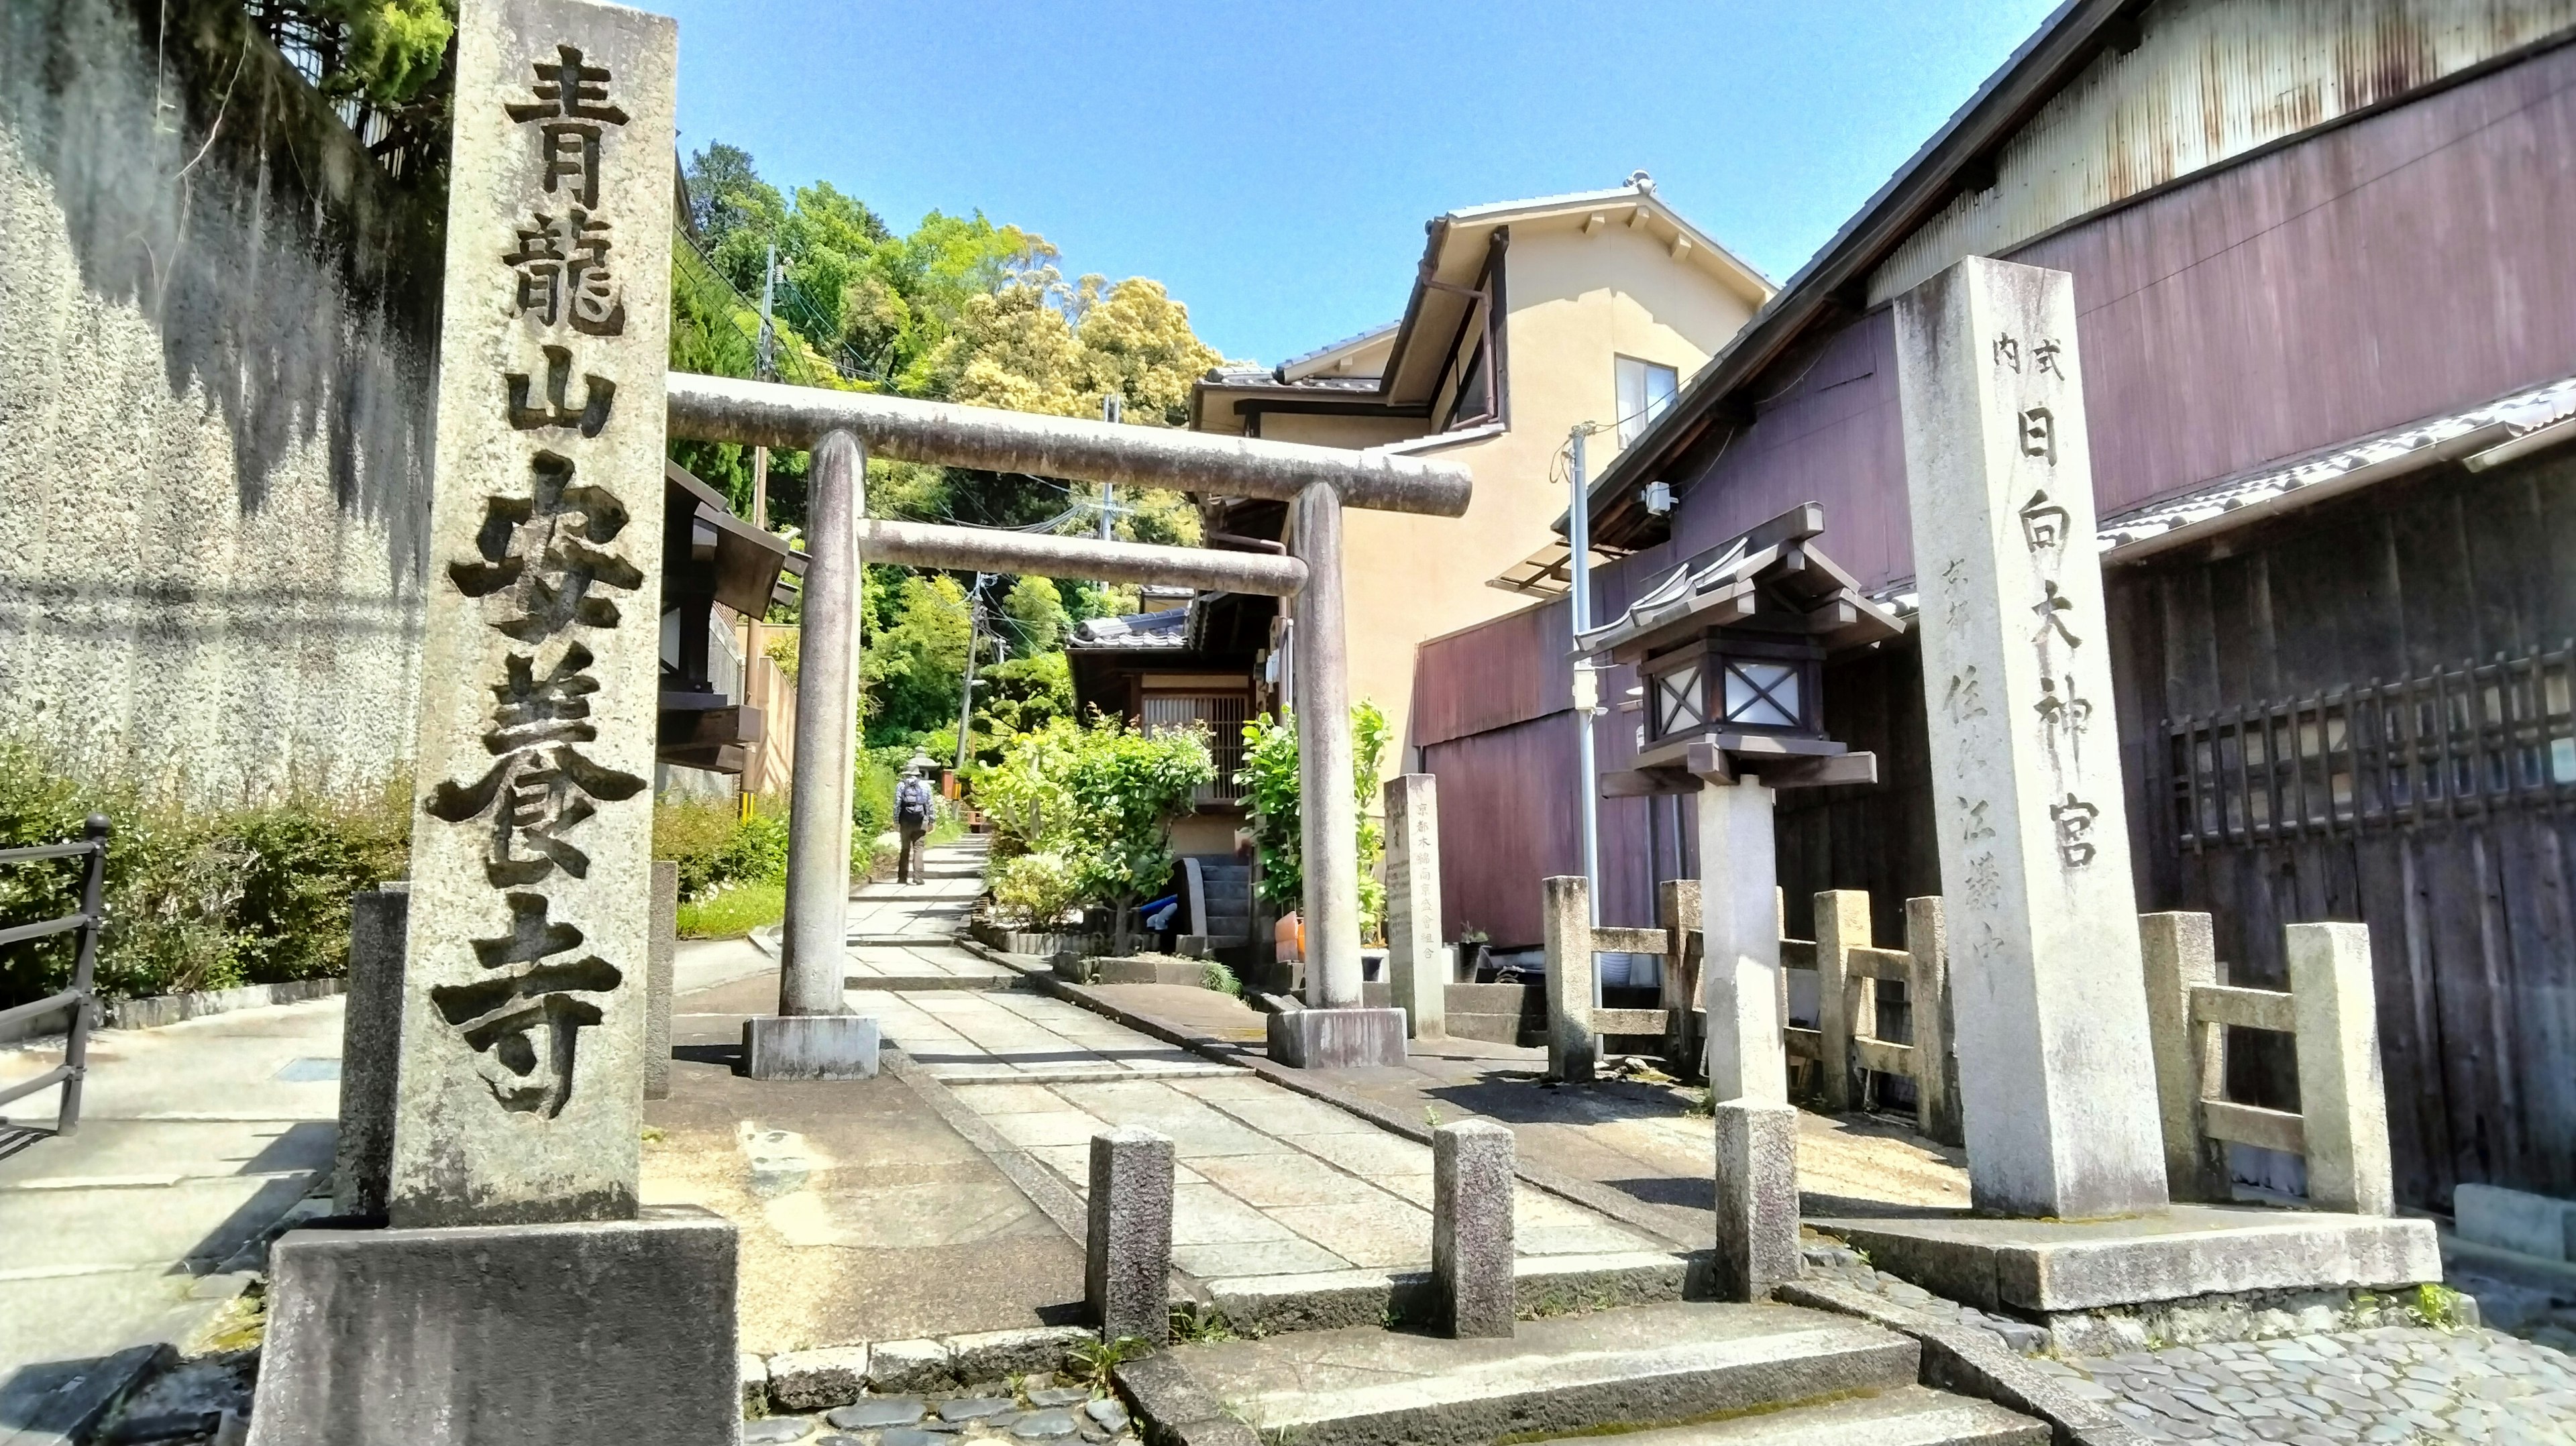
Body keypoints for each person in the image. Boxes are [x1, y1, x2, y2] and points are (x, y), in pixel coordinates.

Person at [894, 766, 934, 885]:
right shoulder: (925, 786)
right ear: (918, 774)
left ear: (906, 773)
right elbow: (930, 805)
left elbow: (897, 805)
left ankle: (902, 878)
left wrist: (896, 821)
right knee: (918, 848)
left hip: (905, 821)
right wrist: (931, 821)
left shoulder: (901, 785)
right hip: (920, 821)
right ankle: (918, 877)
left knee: (905, 849)